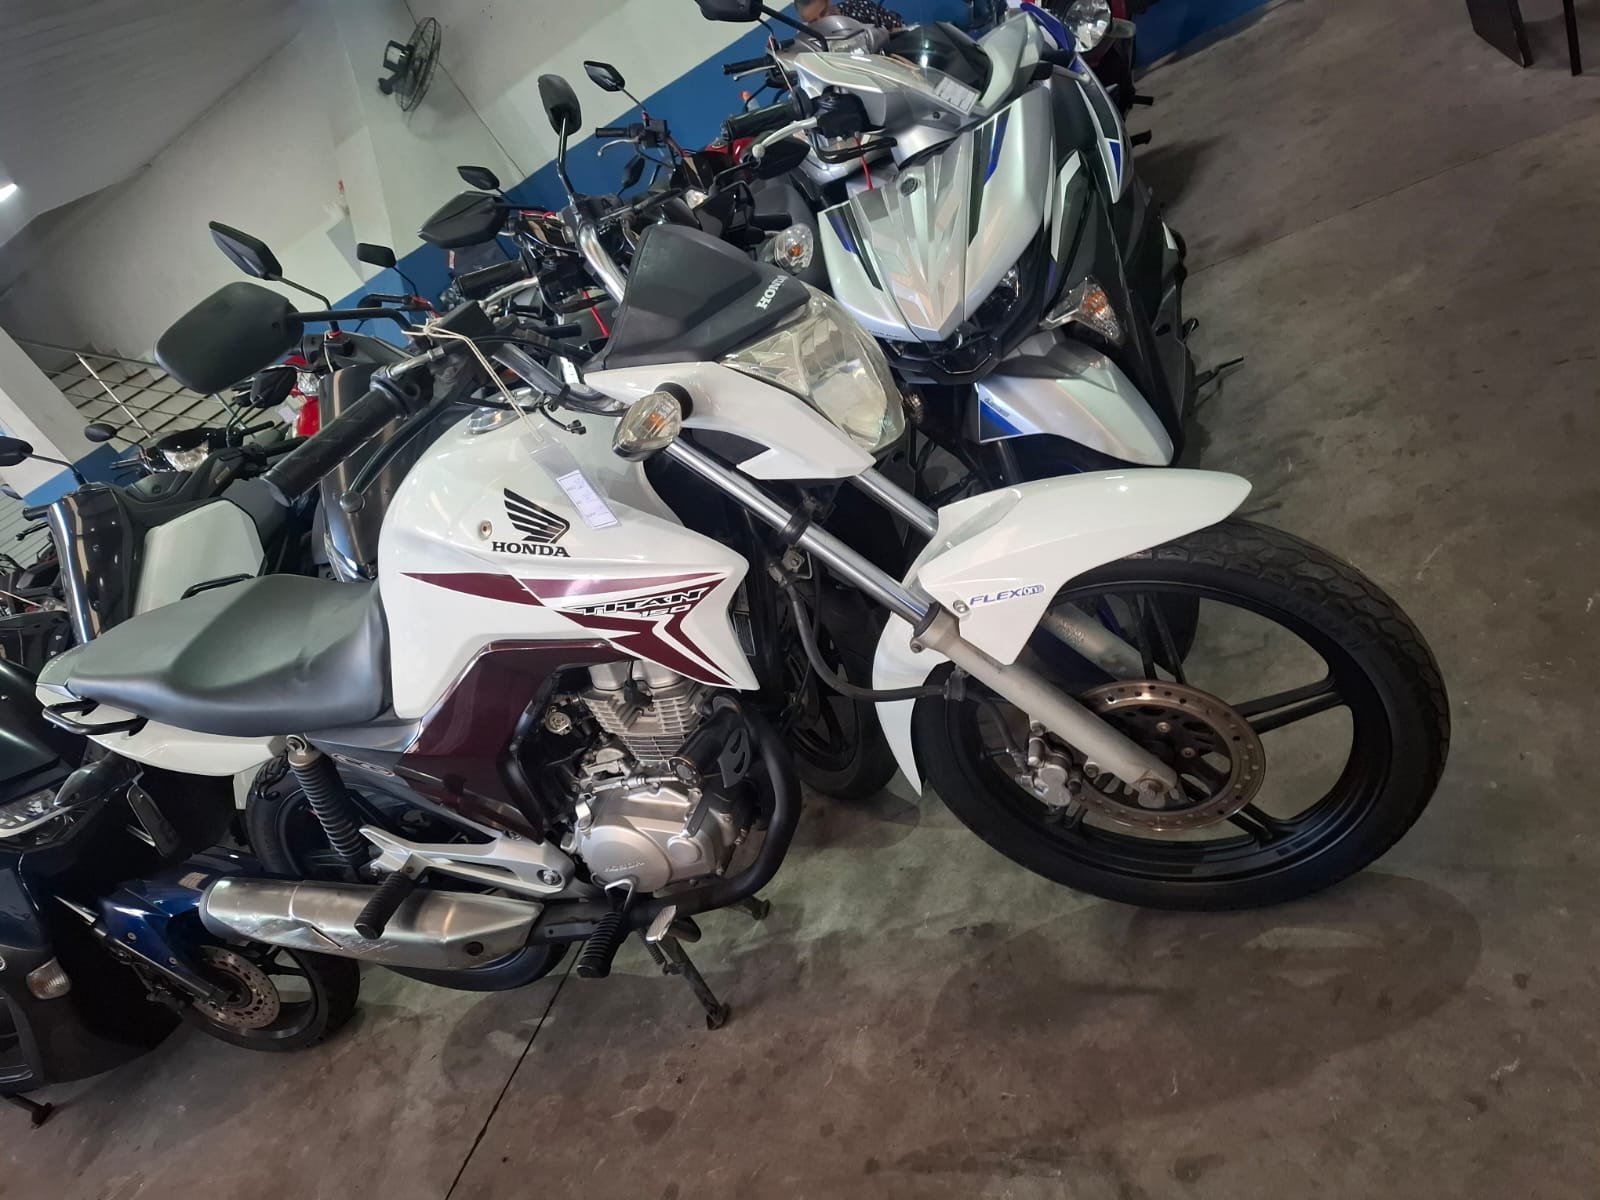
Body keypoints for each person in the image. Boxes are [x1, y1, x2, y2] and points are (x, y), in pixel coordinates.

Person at [797, 0, 907, 31]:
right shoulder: (813, 41)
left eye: (823, 13)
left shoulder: (858, 7)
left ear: (828, 2)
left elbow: (900, 27)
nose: (822, 21)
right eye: (814, 21)